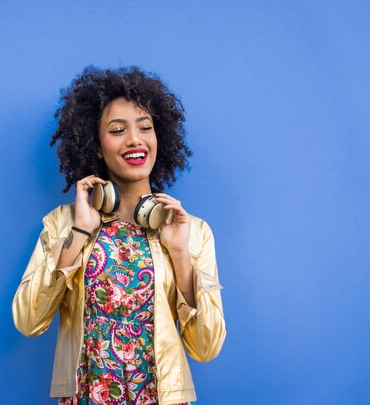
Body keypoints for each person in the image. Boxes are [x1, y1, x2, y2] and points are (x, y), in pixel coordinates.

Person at [12, 66, 226, 405]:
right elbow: (28, 321)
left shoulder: (192, 231)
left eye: (145, 127)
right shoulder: (63, 224)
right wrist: (80, 233)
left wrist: (180, 254)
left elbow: (207, 347)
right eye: (117, 130)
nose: (135, 139)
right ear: (96, 146)